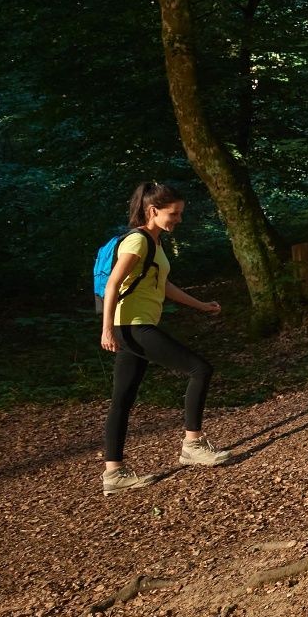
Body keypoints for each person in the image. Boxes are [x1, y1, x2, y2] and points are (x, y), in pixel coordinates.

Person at [99, 181, 231, 495]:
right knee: (200, 369)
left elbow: (163, 286)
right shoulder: (138, 242)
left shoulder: (154, 244)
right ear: (153, 210)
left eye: (180, 213)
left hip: (132, 324)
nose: (178, 219)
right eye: (174, 213)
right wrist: (106, 329)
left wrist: (201, 305)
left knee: (123, 399)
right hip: (131, 325)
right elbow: (112, 285)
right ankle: (193, 444)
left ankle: (113, 474)